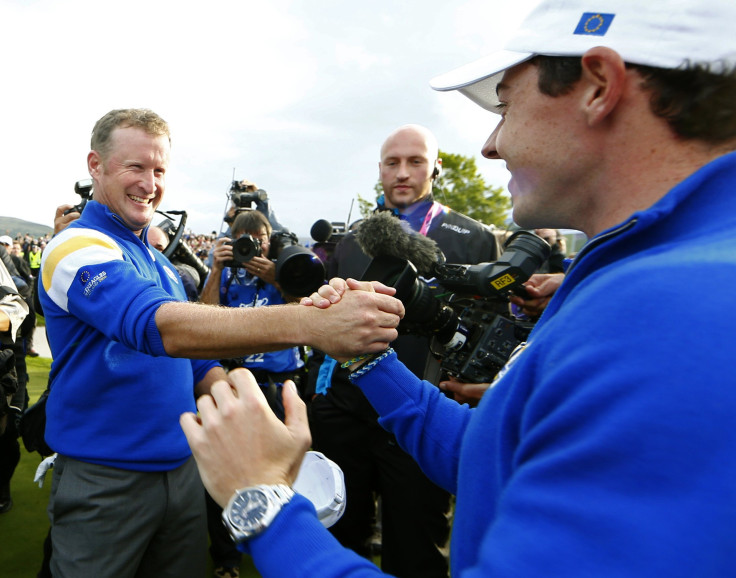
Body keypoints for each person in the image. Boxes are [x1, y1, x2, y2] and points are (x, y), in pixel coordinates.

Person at [181, 1, 736, 576]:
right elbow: (497, 454)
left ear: (598, 86)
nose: (492, 144)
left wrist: (263, 503)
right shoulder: (646, 271)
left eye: (505, 106)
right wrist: (372, 360)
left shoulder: (682, 315)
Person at [38, 108, 403, 577]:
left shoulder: (158, 260)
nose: (149, 184)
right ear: (96, 165)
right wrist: (312, 324)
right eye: (135, 167)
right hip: (105, 478)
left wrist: (249, 411)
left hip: (184, 471)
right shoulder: (74, 246)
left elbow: (193, 365)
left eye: (159, 170)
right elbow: (159, 326)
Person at [308, 124, 500, 577]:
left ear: (435, 167)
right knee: (339, 537)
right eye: (392, 162)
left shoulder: (472, 237)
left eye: (415, 161)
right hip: (346, 409)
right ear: (379, 170)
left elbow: (485, 333)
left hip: (425, 416)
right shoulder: (353, 239)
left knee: (416, 550)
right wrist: (322, 395)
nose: (402, 172)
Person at [200, 209, 305, 577]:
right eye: (242, 238)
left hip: (277, 385)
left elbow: (306, 311)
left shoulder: (284, 269)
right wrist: (214, 269)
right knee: (227, 468)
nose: (250, 245)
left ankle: (284, 547)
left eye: (257, 238)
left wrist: (278, 278)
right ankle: (227, 557)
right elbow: (203, 319)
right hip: (233, 381)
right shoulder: (225, 272)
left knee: (283, 470)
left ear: (269, 238)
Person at [0, 256, 29, 515]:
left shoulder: (2, 260)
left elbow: (16, 309)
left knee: (7, 437)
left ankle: (2, 487)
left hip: (6, 370)